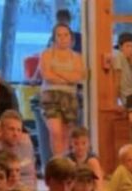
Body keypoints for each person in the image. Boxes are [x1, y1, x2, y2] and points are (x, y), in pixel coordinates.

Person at [39, 22, 85, 156]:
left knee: (67, 134)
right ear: (54, 38)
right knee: (55, 131)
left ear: (71, 37)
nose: (63, 38)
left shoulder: (77, 57)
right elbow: (47, 75)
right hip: (50, 95)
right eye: (59, 35)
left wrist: (57, 72)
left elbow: (77, 77)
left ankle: (64, 161)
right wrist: (67, 77)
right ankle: (58, 161)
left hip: (70, 96)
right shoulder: (46, 54)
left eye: (66, 35)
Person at [0, 109, 37, 189]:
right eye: (11, 129)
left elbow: (33, 174)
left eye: (19, 130)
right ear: (1, 129)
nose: (16, 134)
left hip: (30, 190)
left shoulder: (27, 146)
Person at [113, 31, 132, 104]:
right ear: (121, 47)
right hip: (126, 94)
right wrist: (115, 100)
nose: (130, 49)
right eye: (127, 46)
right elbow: (117, 79)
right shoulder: (119, 56)